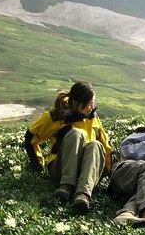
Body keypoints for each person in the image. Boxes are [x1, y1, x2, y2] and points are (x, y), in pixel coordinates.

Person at [24, 82, 113, 214]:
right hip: (61, 169)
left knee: (96, 145)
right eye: (87, 104)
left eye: (92, 103)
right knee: (76, 134)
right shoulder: (57, 116)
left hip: (87, 171)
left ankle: (83, 195)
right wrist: (37, 163)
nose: (91, 107)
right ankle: (66, 187)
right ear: (76, 103)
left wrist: (112, 170)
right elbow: (31, 137)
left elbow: (106, 146)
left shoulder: (93, 117)